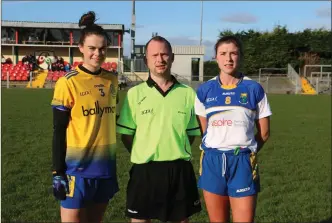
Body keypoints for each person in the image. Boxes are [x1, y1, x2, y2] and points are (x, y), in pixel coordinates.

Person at [116, 36, 202, 223]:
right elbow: (126, 135)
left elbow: (191, 133)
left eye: (164, 54)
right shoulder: (134, 94)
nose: (160, 59)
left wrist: (174, 146)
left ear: (172, 57)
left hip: (179, 170)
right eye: (154, 55)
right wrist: (144, 150)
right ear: (146, 59)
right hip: (145, 170)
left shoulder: (188, 93)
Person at [195, 35, 272, 223]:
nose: (228, 58)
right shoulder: (204, 91)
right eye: (223, 53)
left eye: (233, 53)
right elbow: (205, 131)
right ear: (216, 57)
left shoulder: (254, 89)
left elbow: (264, 133)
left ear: (240, 56)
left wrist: (246, 152)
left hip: (242, 162)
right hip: (212, 161)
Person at [51, 11, 119, 223]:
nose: (97, 53)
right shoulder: (68, 82)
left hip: (105, 168)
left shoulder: (112, 81)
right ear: (81, 48)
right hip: (76, 171)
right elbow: (58, 130)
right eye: (92, 48)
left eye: (102, 49)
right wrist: (57, 172)